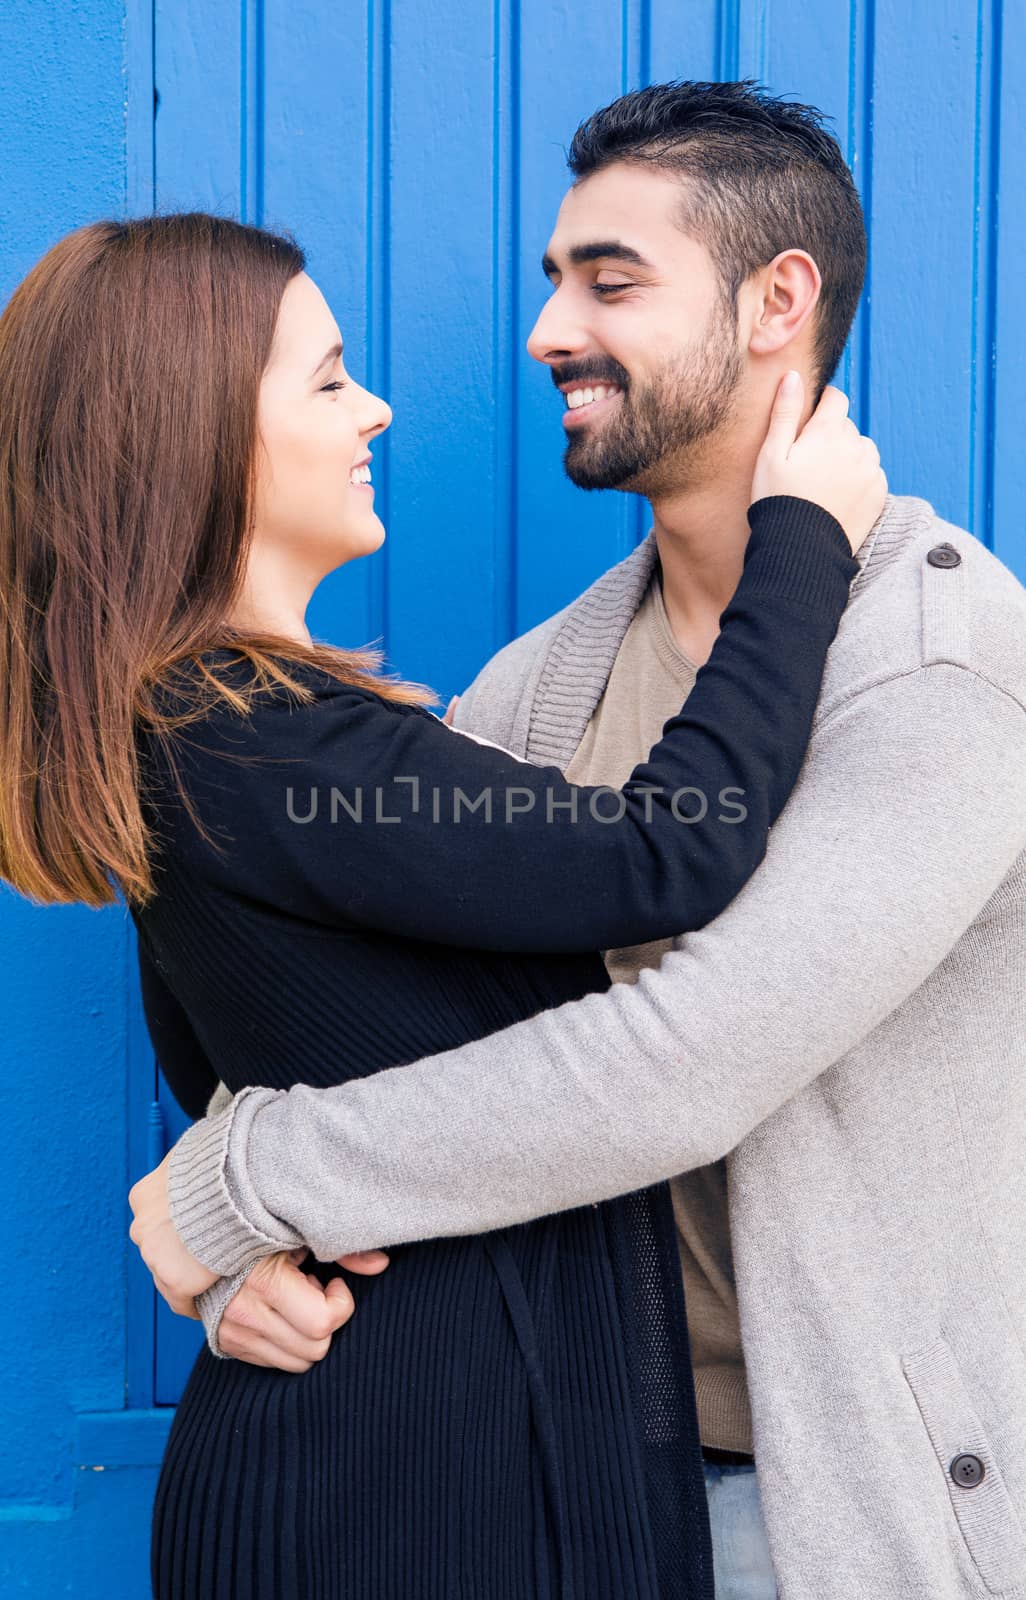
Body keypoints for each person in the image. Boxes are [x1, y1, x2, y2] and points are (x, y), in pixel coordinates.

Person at [132, 83, 1026, 1600]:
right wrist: (246, 1264)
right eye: (555, 282)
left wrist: (245, 1180)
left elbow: (695, 1054)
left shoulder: (931, 655)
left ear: (775, 304)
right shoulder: (539, 683)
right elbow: (354, 1024)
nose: (549, 330)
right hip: (560, 1470)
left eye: (607, 282)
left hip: (820, 1507)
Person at [0, 206, 881, 1599]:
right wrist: (804, 538)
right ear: (197, 433)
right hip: (402, 1496)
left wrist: (221, 1228)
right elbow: (675, 846)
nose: (378, 407)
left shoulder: (210, 737)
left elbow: (235, 1081)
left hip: (406, 1464)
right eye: (329, 378)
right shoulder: (262, 741)